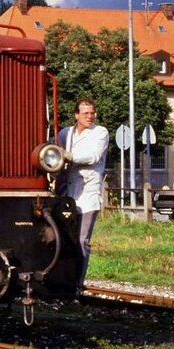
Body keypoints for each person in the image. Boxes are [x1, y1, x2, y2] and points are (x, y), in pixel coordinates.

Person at [55, 99, 109, 296]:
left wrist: (68, 156)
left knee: (81, 240)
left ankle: (77, 284)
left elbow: (93, 156)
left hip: (87, 194)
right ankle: (61, 281)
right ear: (76, 115)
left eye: (92, 113)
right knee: (62, 238)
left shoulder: (100, 133)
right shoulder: (64, 133)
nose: (90, 116)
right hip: (66, 193)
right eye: (85, 113)